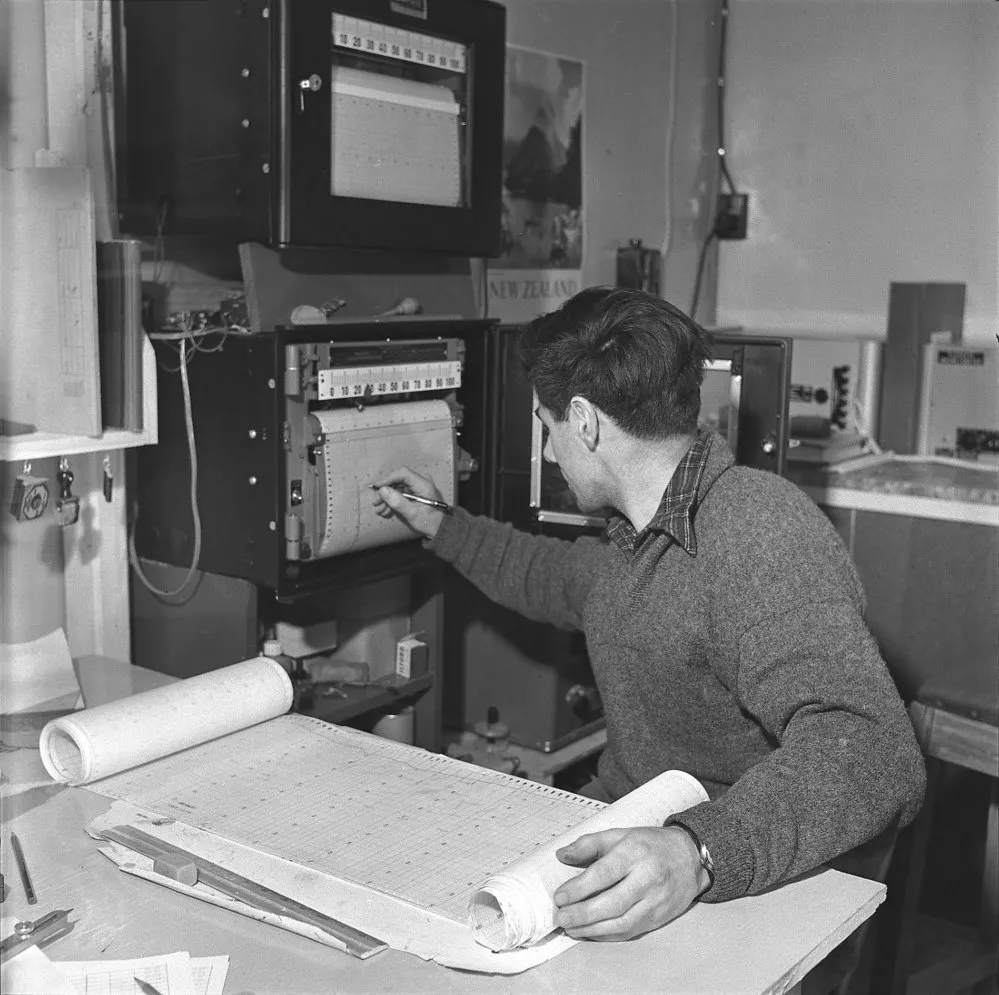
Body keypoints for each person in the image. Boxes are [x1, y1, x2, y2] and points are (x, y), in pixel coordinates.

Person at [371, 287, 925, 980]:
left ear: (583, 421)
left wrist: (697, 851)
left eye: (547, 426)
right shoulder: (635, 539)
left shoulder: (758, 531)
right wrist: (438, 523)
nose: (549, 450)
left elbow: (873, 750)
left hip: (737, 877)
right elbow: (549, 575)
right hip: (644, 836)